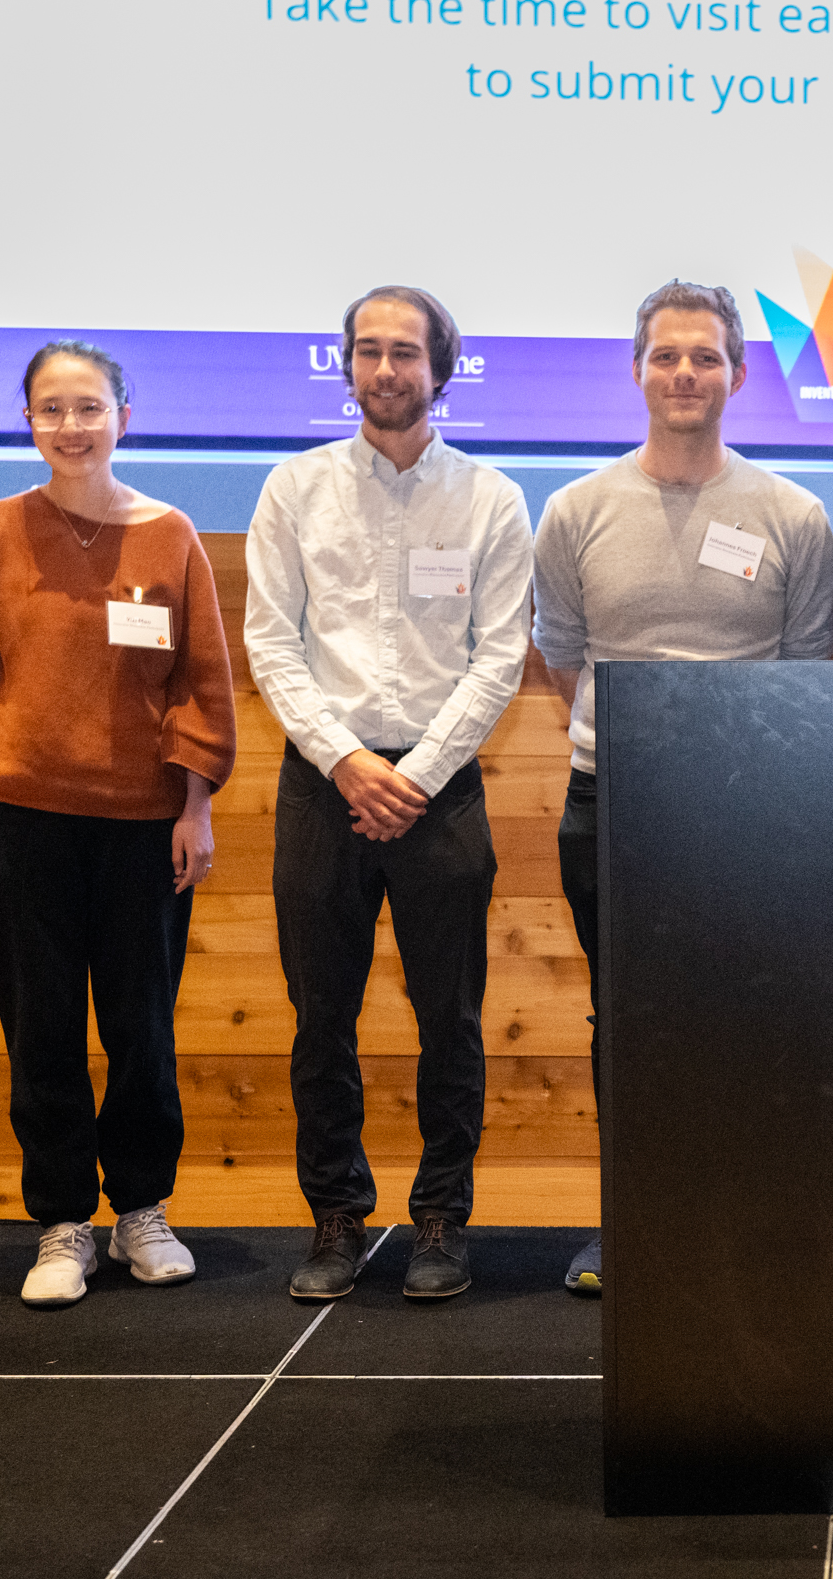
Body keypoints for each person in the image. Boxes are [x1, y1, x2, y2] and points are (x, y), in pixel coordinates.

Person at [534, 281, 833, 1295]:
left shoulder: (792, 514)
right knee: (627, 1020)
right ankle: (638, 1224)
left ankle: (746, 1219)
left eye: (704, 357)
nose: (684, 375)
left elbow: (803, 673)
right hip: (611, 805)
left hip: (749, 817)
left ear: (739, 376)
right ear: (636, 371)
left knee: (749, 1020)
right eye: (665, 356)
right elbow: (568, 662)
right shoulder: (576, 511)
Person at [0, 340, 236, 1307]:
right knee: (43, 1027)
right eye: (52, 409)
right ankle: (62, 1225)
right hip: (19, 818)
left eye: (90, 408)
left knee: (142, 1028)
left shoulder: (171, 533)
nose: (72, 426)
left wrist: (196, 805)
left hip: (144, 825)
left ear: (123, 417)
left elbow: (202, 684)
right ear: (27, 421)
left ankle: (141, 1209)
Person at [243, 286, 533, 1302]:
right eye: (367, 351)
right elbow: (271, 645)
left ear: (439, 369)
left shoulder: (491, 498)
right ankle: (335, 1219)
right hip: (324, 782)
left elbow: (500, 658)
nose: (384, 369)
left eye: (404, 351)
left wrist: (411, 775)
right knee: (320, 1016)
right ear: (347, 366)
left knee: (449, 1016)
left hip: (440, 789)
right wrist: (346, 760)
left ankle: (441, 1220)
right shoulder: (294, 488)